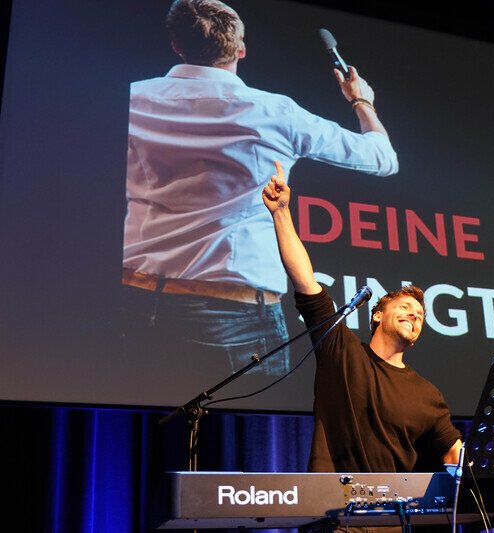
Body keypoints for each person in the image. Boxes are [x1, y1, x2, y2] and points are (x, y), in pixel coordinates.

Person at [120, 0, 398, 379]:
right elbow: (381, 158)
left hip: (134, 296)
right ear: (240, 49)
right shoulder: (275, 112)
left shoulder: (132, 98)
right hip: (235, 311)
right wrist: (361, 100)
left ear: (176, 45)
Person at [262, 160, 462, 475]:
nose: (415, 314)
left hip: (396, 519)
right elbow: (305, 281)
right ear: (377, 315)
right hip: (333, 514)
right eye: (406, 306)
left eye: (421, 314)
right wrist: (281, 213)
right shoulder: (343, 353)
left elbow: (454, 455)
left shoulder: (429, 395)